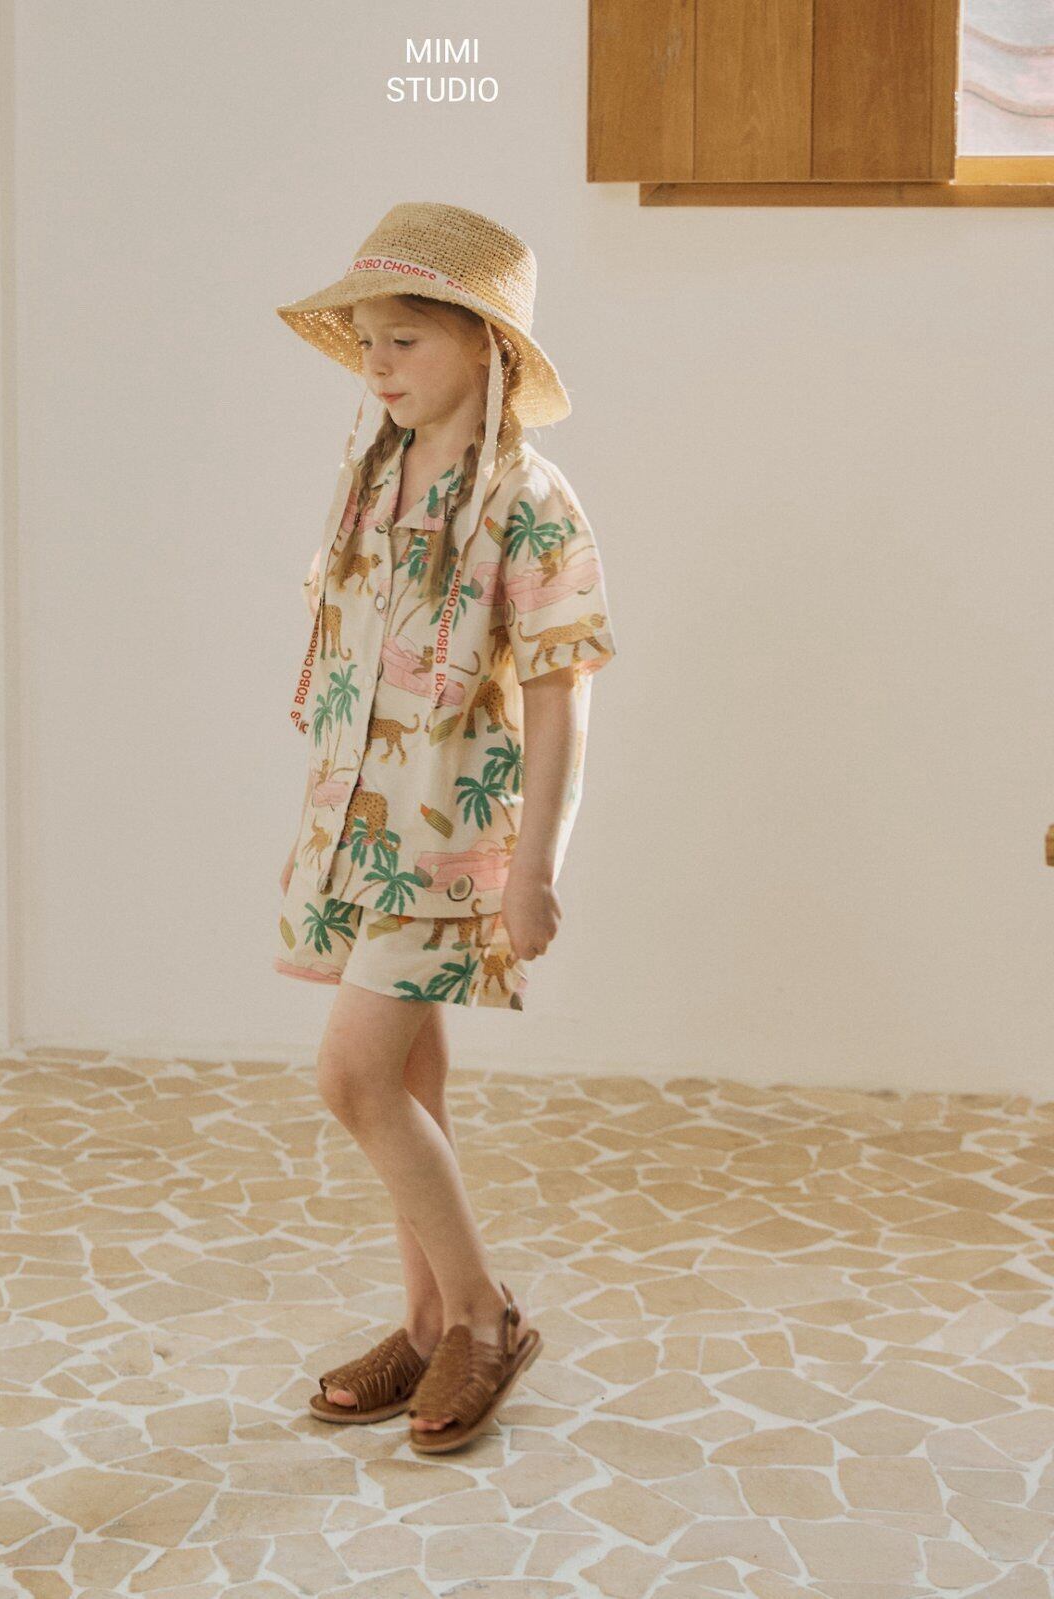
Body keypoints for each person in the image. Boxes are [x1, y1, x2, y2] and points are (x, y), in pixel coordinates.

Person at [273, 202, 619, 1454]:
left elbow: (559, 694)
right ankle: (424, 1326)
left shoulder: (529, 500)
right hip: (357, 831)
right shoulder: (373, 474)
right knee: (407, 1077)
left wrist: (534, 870)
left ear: (484, 344)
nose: (377, 364)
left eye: (405, 339)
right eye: (367, 341)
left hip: (448, 848)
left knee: (352, 1078)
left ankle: (482, 1314)